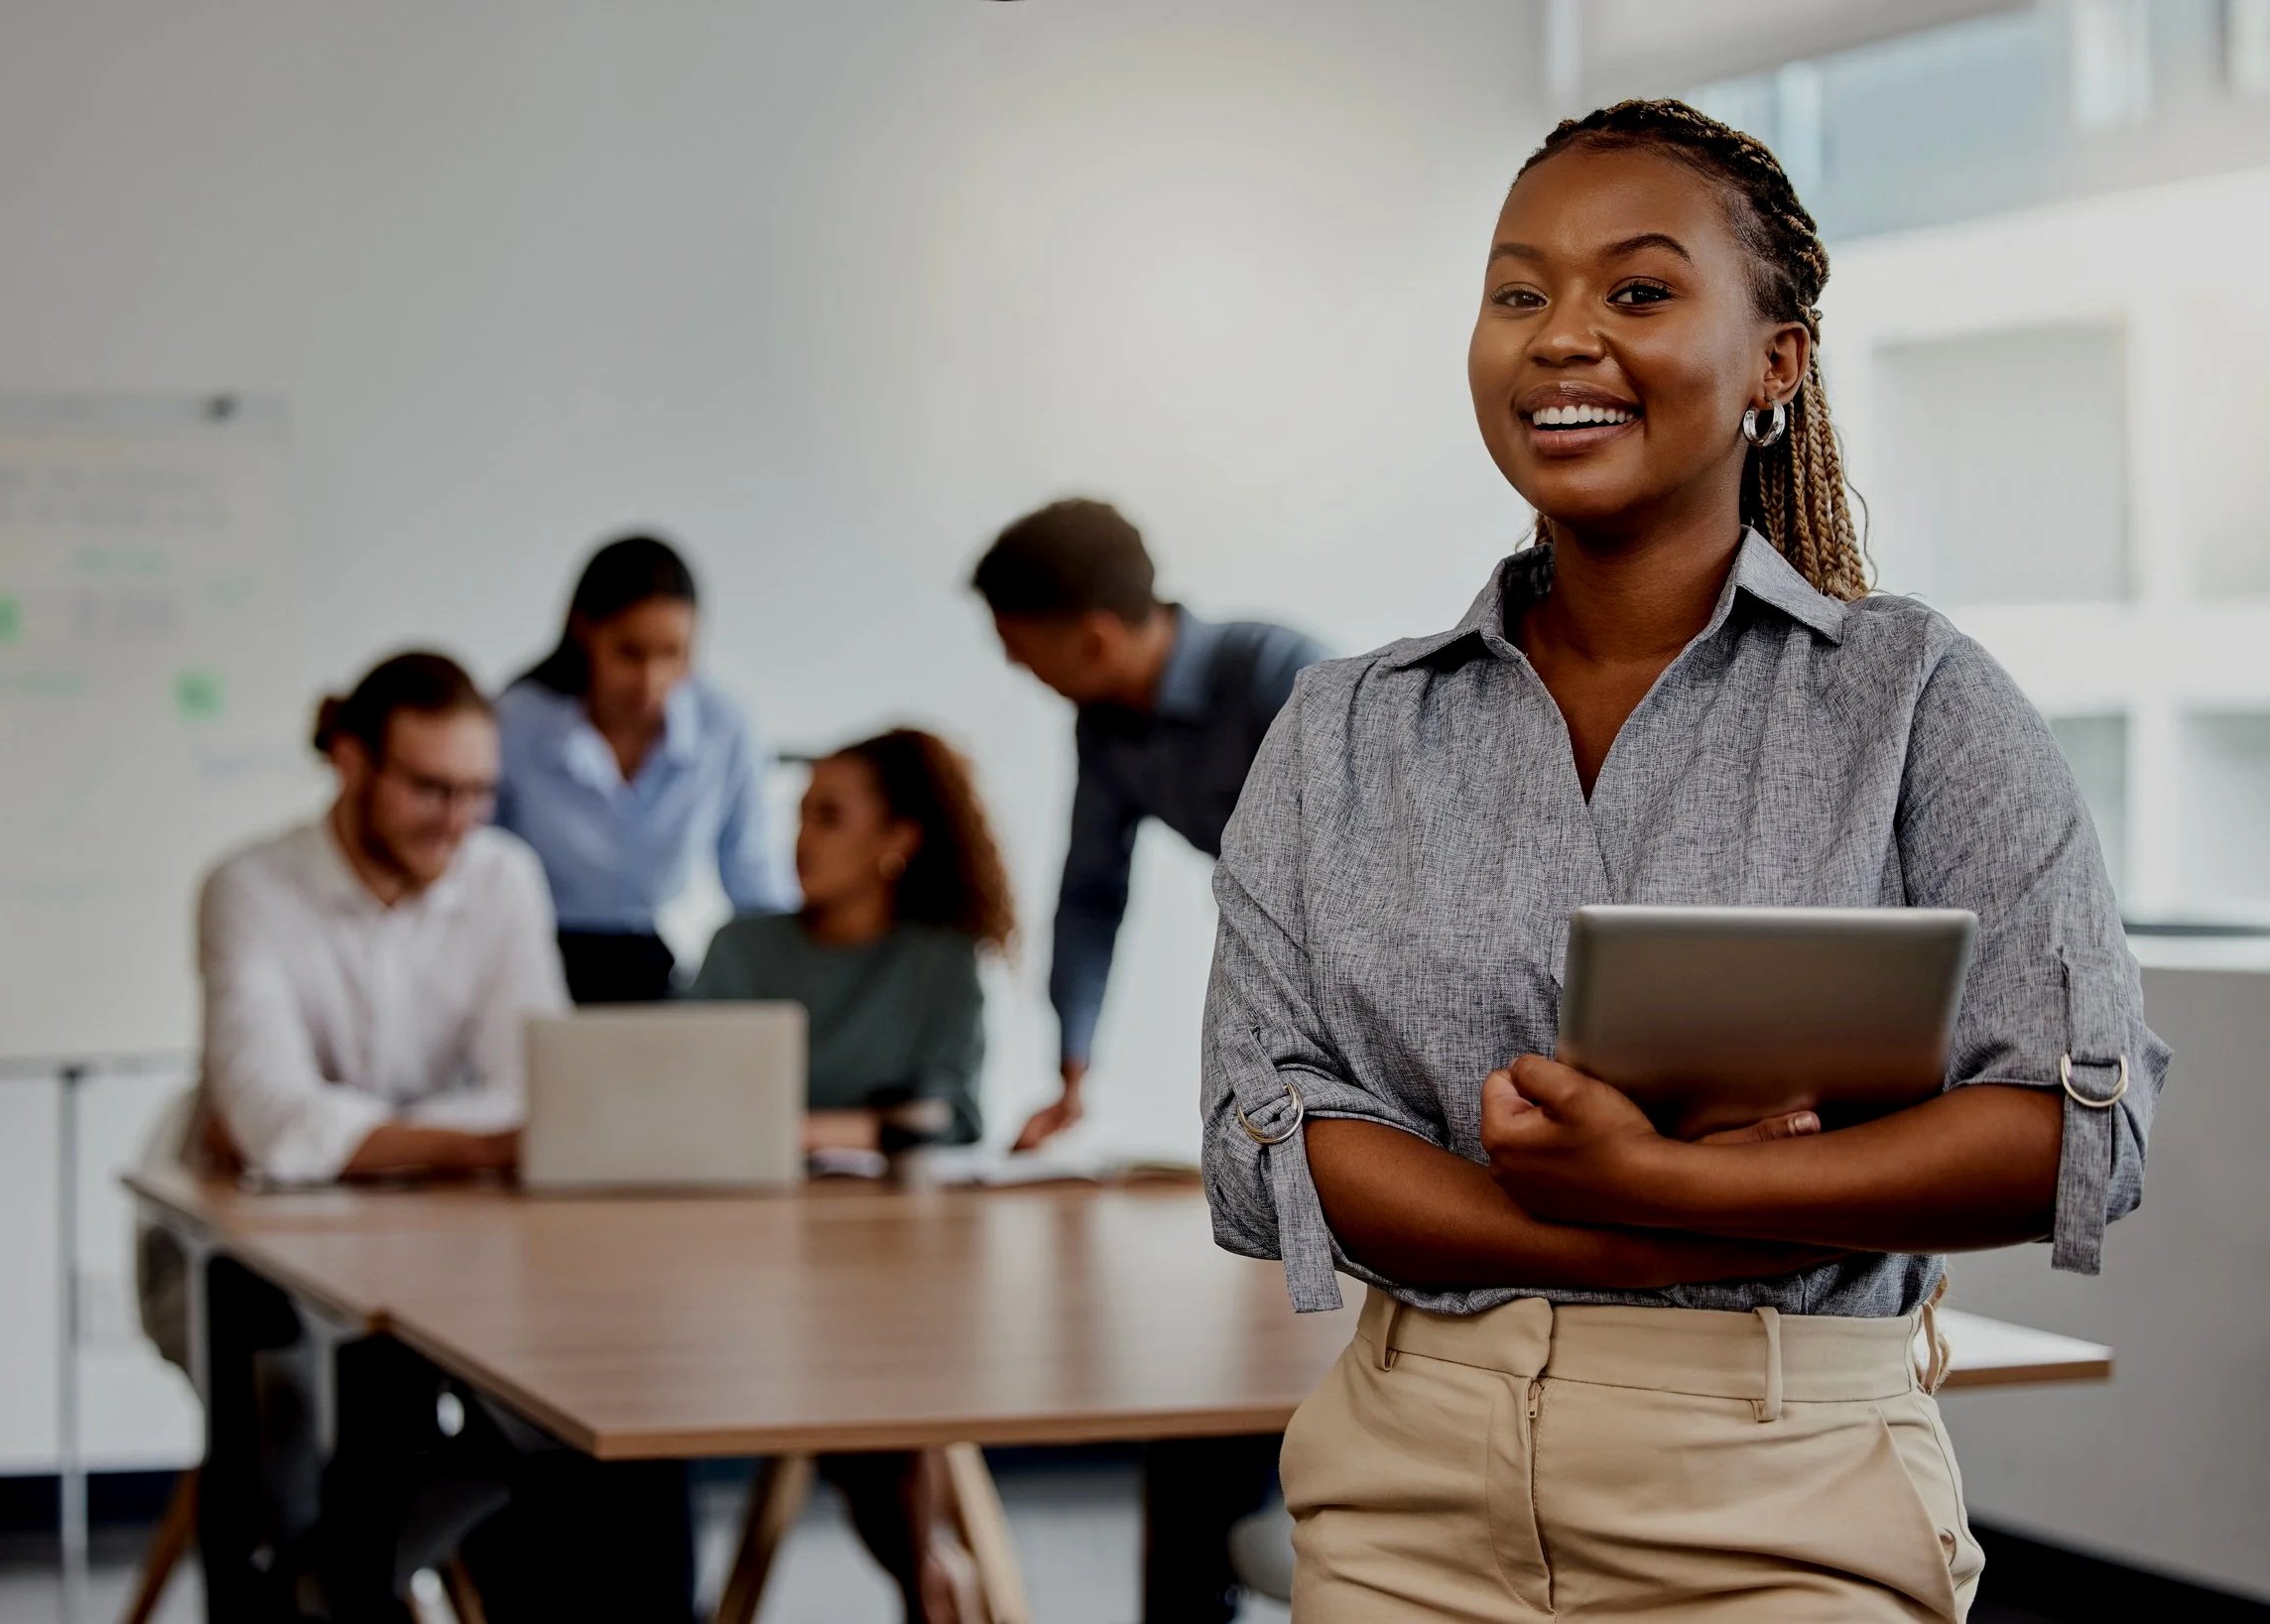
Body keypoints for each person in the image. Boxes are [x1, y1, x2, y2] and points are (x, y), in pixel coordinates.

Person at [1201, 99, 2168, 1622]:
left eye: (1637, 292)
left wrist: (1636, 1181)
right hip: (1407, 1492)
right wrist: (1649, 1216)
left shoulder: (1913, 698)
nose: (1560, 337)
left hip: (1785, 1488)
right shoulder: (1341, 728)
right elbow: (1272, 1136)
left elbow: (2073, 1125)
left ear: (1777, 363)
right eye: (1519, 293)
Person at [165, 651, 696, 1623]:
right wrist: (484, 1140)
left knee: (586, 1390)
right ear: (351, 760)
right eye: (429, 787)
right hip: (239, 1254)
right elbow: (273, 1122)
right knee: (307, 1412)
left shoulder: (503, 879)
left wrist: (369, 1135)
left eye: (479, 793)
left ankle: (347, 1579)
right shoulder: (248, 887)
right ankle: (313, 1587)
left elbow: (533, 1090)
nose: (456, 819)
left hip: (444, 1244)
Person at [970, 498, 1324, 1623]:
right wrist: (1071, 1062)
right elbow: (1090, 892)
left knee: (1282, 1320)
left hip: (1349, 1016)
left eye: (1021, 652)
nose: (1021, 675)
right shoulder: (1106, 726)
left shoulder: (1277, 673)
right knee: (1197, 1355)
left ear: (1090, 635)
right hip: (1270, 1003)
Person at [694, 727, 1015, 1624]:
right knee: (867, 1386)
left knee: (878, 1368)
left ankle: (926, 1574)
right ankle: (928, 1576)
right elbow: (680, 1103)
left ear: (896, 843)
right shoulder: (740, 949)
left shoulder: (941, 962)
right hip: (741, 1265)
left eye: (829, 817)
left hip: (892, 1270)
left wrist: (784, 1126)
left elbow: (953, 1118)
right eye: (799, 815)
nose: (802, 839)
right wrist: (868, 1123)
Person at [495, 533, 797, 1004]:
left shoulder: (723, 725)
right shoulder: (515, 722)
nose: (650, 682)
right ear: (583, 631)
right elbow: (476, 867)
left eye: (673, 654)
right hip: (529, 960)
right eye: (629, 653)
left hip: (652, 965)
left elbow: (753, 877)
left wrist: (795, 983)